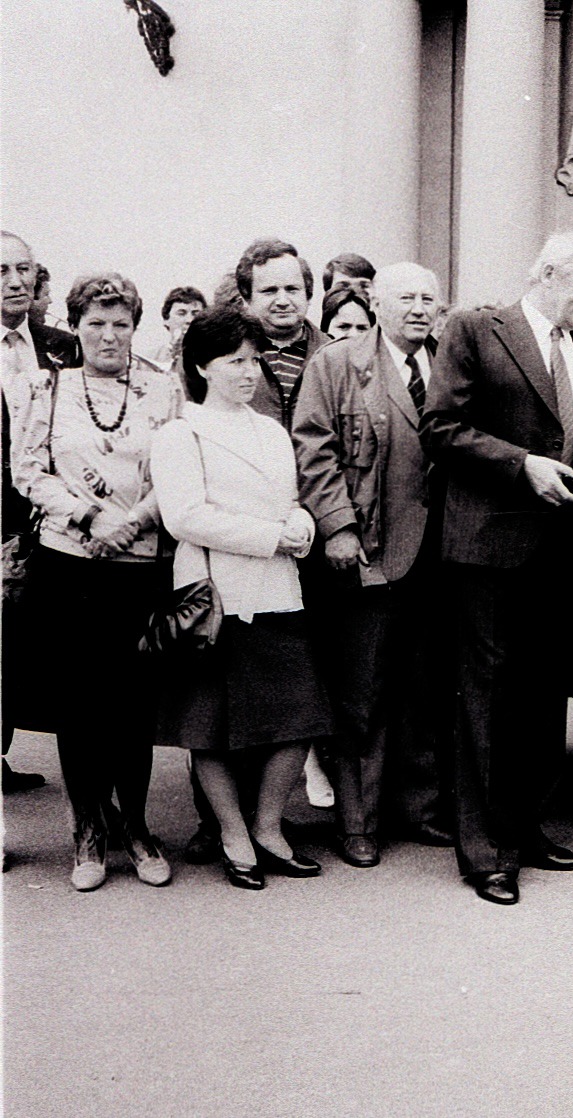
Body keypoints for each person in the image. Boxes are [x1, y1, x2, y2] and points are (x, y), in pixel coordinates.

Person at [421, 230, 573, 905]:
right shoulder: (478, 329)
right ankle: (484, 853)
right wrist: (521, 464)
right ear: (547, 273)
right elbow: (441, 427)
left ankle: (523, 828)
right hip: (489, 546)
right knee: (487, 700)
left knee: (539, 699)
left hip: (561, 553)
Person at [152, 303, 334, 891]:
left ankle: (268, 827)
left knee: (298, 718)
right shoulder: (181, 433)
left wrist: (301, 523)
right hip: (217, 595)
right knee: (212, 727)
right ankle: (233, 834)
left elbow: (287, 498)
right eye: (235, 361)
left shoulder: (273, 431)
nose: (249, 372)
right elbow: (185, 517)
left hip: (278, 589)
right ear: (203, 368)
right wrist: (270, 536)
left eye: (254, 360)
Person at [12, 272, 184, 890]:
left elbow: (179, 471)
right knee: (79, 704)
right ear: (76, 325)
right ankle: (87, 830)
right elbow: (29, 471)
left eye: (120, 324)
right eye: (95, 323)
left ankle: (136, 827)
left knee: (132, 704)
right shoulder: (45, 387)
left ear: (135, 328)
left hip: (139, 565)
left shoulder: (163, 390)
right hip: (69, 564)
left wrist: (132, 519)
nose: (108, 335)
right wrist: (90, 516)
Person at [292, 262, 453, 868]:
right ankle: (357, 822)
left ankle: (420, 809)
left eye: (428, 298)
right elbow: (313, 448)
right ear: (377, 302)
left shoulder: (450, 361)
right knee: (363, 692)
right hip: (371, 551)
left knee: (426, 688)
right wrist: (337, 526)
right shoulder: (336, 363)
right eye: (406, 296)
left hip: (441, 557)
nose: (419, 307)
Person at [1, 231, 78, 792]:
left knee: (25, 650)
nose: (16, 281)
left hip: (46, 520)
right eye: (2, 270)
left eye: (24, 268)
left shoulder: (61, 346)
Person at [237, 238, 328, 430]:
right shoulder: (223, 356)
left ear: (308, 295)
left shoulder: (334, 355)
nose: (282, 301)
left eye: (292, 289)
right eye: (269, 291)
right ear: (247, 298)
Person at [138, 285, 206, 371]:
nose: (189, 320)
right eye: (181, 313)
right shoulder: (148, 360)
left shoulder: (215, 358)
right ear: (166, 319)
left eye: (195, 314)